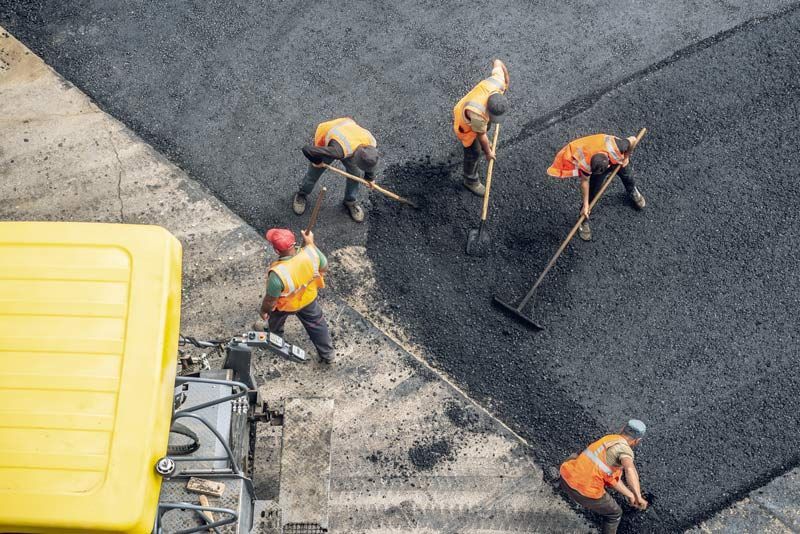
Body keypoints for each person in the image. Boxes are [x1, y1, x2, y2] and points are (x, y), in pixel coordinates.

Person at [546, 134, 646, 241]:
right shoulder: (585, 162)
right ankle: (583, 218)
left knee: (628, 177)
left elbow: (633, 139)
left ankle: (632, 191)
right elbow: (585, 182)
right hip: (598, 159)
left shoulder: (618, 146)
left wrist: (626, 156)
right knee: (592, 192)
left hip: (617, 159)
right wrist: (585, 205)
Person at [559, 420, 649, 534]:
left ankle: (557, 482)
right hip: (583, 491)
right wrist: (638, 496)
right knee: (615, 514)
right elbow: (630, 469)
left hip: (565, 475)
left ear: (622, 429)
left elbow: (611, 478)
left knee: (576, 456)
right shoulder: (625, 450)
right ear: (637, 441)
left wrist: (630, 495)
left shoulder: (608, 439)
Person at [259, 228, 334, 363]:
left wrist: (264, 311)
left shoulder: (277, 275)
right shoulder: (311, 253)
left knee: (275, 322)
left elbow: (270, 301)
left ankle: (276, 340)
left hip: (285, 306)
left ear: (276, 251)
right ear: (294, 243)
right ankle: (328, 354)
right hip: (308, 299)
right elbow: (324, 267)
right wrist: (310, 243)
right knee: (317, 324)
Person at [294, 117, 379, 223]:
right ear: (356, 158)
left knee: (355, 176)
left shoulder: (371, 143)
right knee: (313, 173)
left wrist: (370, 178)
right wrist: (317, 162)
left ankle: (350, 201)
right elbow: (307, 150)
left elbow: (370, 161)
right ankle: (302, 194)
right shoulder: (338, 151)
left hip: (349, 136)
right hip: (331, 136)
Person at [453, 59, 510, 196]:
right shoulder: (477, 114)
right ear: (488, 110)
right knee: (474, 152)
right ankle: (470, 180)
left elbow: (498, 63)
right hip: (465, 123)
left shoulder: (498, 82)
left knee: (485, 128)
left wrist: (506, 81)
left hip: (477, 111)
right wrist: (488, 152)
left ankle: (482, 148)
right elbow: (481, 135)